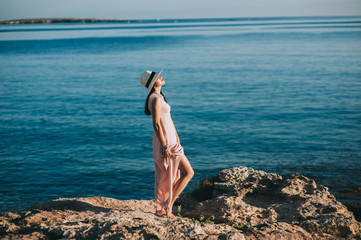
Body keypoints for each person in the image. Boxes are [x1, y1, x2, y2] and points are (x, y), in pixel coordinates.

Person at [140, 70, 194, 219]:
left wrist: (177, 138)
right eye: (158, 77)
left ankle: (165, 206)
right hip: (165, 140)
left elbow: (168, 120)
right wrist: (165, 145)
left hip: (171, 139)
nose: (161, 77)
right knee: (185, 173)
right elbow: (156, 124)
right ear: (153, 83)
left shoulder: (159, 97)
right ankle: (167, 207)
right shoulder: (156, 99)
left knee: (176, 174)